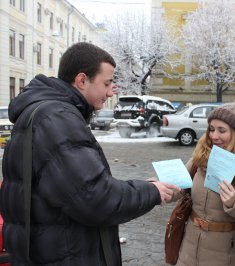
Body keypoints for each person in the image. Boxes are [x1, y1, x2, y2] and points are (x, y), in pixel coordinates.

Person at [0, 42, 179, 265]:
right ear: (82, 80)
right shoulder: (58, 118)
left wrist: (145, 187)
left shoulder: (47, 112)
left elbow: (79, 186)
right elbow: (94, 197)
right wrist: (151, 192)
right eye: (106, 83)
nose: (110, 91)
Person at [174, 99, 235, 266]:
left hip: (226, 254)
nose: (214, 136)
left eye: (222, 130)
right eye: (211, 129)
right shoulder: (202, 156)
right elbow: (179, 185)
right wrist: (157, 188)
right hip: (188, 248)